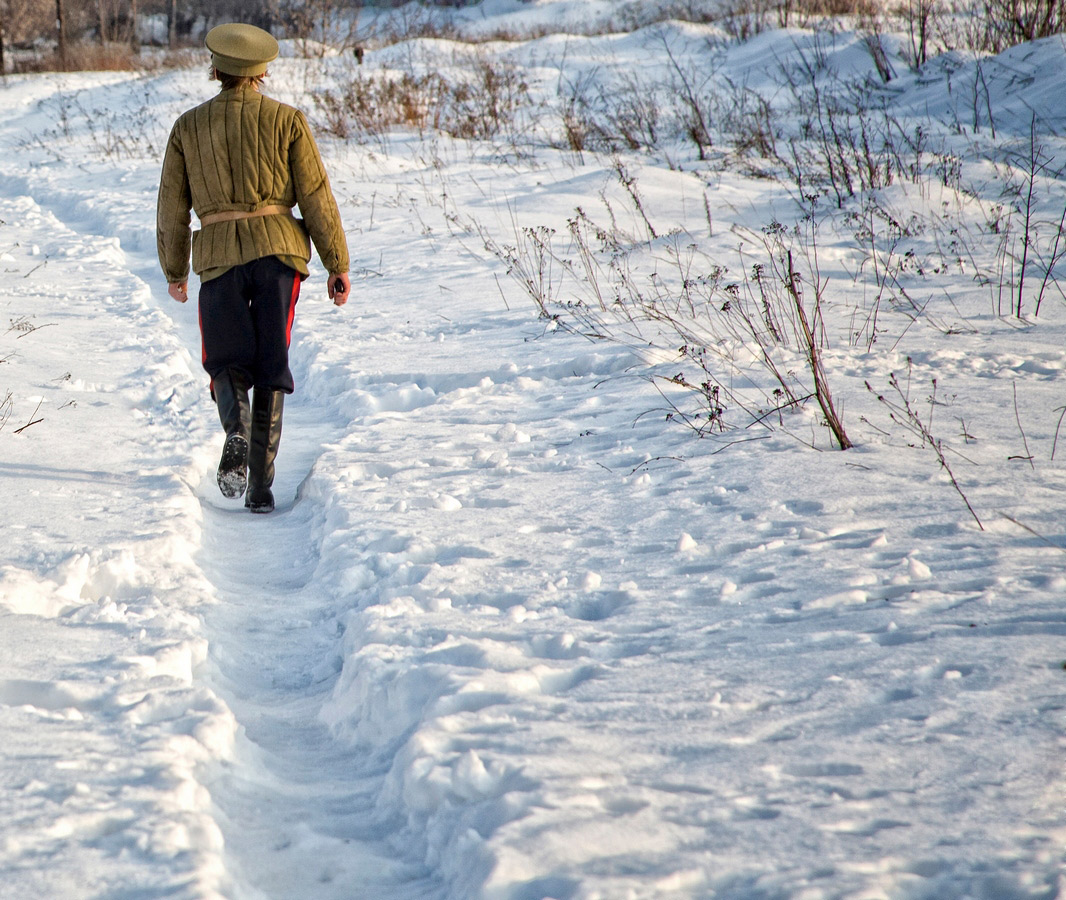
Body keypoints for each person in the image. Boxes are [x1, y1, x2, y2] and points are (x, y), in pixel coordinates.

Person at [157, 22, 350, 513]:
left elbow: (172, 207)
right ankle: (261, 489)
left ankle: (236, 430)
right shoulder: (288, 121)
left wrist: (175, 267)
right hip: (278, 255)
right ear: (262, 72)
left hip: (219, 256)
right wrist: (336, 263)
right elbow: (315, 195)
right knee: (270, 362)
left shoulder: (187, 127)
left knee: (225, 360)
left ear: (215, 69)